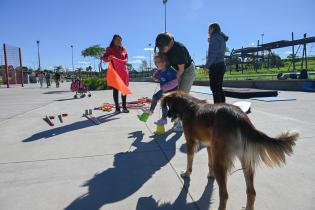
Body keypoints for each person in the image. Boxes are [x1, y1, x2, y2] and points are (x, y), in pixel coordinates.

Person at [154, 32, 195, 131]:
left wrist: (174, 82)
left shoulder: (178, 50)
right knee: (173, 98)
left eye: (162, 48)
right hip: (177, 71)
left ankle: (182, 124)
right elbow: (164, 64)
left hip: (187, 71)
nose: (161, 50)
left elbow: (181, 70)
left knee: (180, 98)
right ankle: (177, 121)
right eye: (159, 48)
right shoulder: (165, 47)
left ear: (170, 43)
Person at [138, 52, 178, 125]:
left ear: (164, 62)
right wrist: (154, 77)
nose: (156, 64)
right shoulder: (159, 71)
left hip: (172, 92)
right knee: (156, 98)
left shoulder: (170, 71)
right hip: (164, 91)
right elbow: (156, 76)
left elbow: (176, 81)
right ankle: (153, 112)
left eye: (158, 62)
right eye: (155, 62)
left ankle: (176, 120)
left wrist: (165, 87)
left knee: (169, 106)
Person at [102, 34, 130, 114]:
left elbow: (126, 58)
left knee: (124, 90)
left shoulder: (123, 49)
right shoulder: (109, 49)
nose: (119, 41)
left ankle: (124, 107)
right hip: (115, 73)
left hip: (124, 72)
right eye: (117, 40)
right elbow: (104, 58)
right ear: (113, 40)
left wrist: (124, 61)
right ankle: (117, 108)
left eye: (120, 40)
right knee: (116, 90)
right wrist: (108, 58)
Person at [204, 23, 229, 103]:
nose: (208, 31)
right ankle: (222, 107)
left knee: (215, 88)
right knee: (218, 87)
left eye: (209, 29)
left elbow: (213, 54)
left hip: (216, 66)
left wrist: (207, 66)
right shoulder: (220, 38)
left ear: (213, 29)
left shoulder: (214, 38)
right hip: (221, 65)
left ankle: (218, 109)